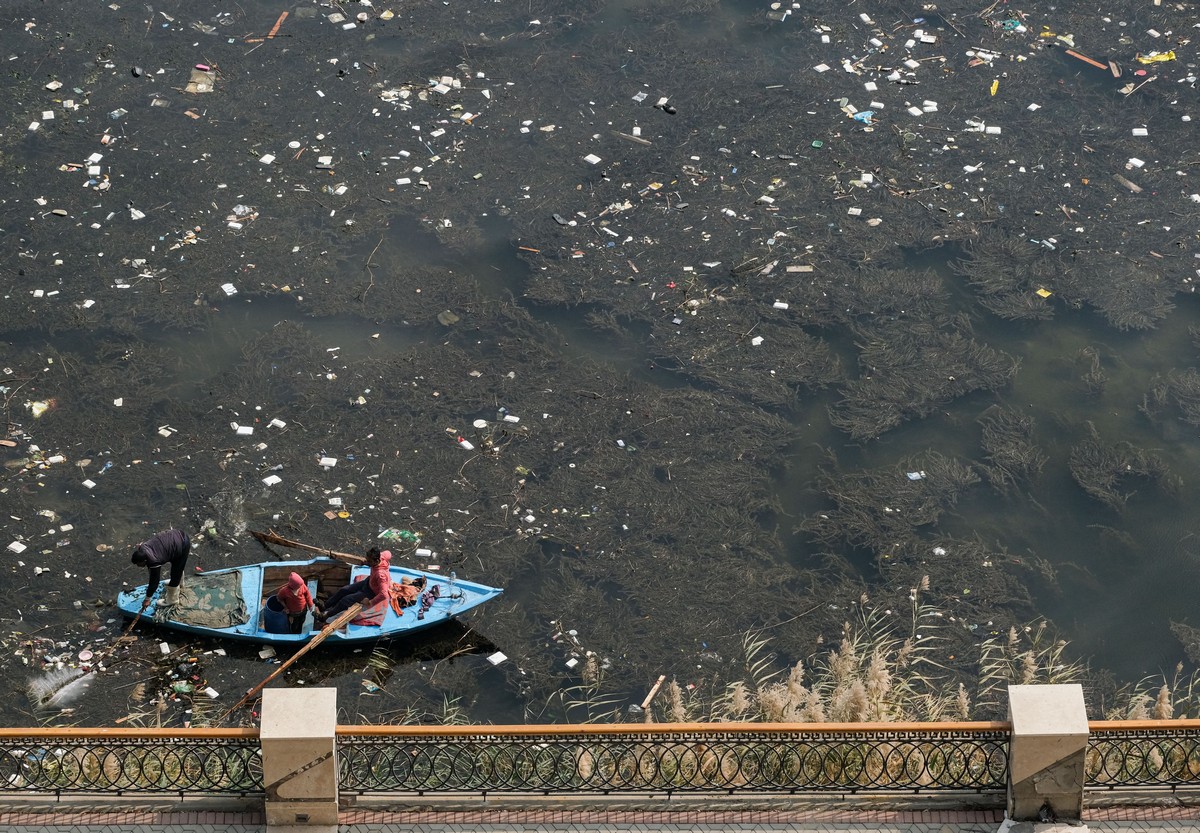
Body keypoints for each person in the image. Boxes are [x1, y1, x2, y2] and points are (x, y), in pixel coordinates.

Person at [318, 548, 392, 621]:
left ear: (377, 561)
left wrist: (370, 602)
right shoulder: (382, 556)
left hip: (371, 592)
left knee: (346, 600)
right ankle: (325, 606)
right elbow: (389, 553)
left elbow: (384, 594)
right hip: (368, 582)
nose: (367, 562)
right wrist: (366, 562)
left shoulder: (381, 575)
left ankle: (326, 616)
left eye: (369, 561)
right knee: (344, 590)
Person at [130, 528, 191, 609]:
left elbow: (154, 582)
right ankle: (180, 583)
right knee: (177, 567)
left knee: (176, 571)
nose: (138, 566)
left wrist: (147, 599)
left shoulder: (153, 560)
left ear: (144, 560)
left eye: (139, 564)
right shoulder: (143, 547)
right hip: (176, 535)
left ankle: (172, 600)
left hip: (183, 544)